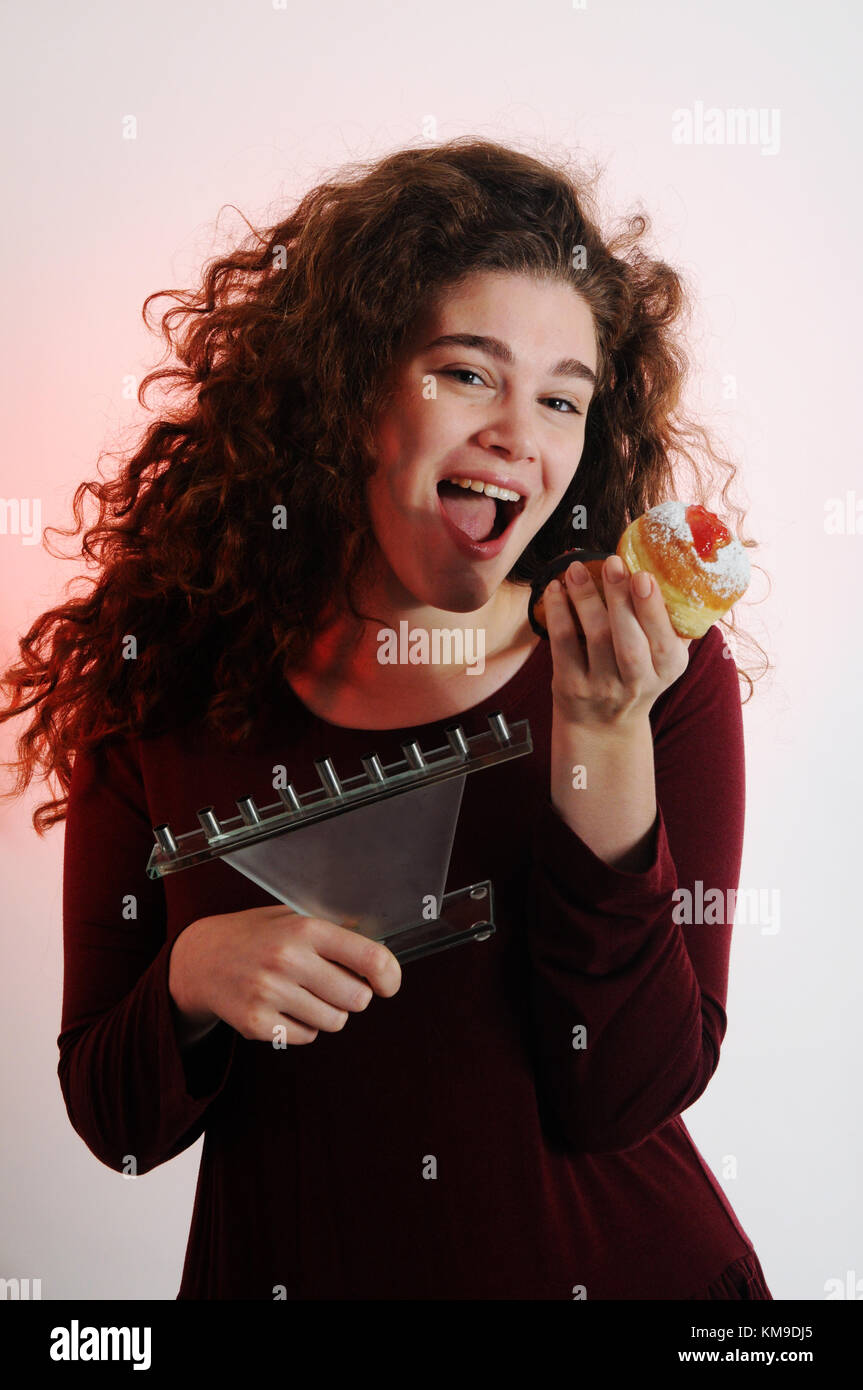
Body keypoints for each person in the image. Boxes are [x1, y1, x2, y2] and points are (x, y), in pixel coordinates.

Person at [0, 137, 772, 1299]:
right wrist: (192, 976)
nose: (523, 431)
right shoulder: (158, 685)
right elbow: (115, 1125)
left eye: (562, 397)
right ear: (356, 392)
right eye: (467, 373)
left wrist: (603, 734)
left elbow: (621, 1091)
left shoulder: (654, 673)